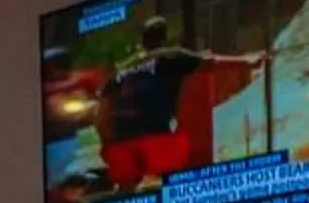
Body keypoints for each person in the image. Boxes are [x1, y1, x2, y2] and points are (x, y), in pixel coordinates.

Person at [97, 16, 262, 189]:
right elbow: (210, 62)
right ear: (163, 38)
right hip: (155, 140)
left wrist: (105, 141)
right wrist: (247, 61)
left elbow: (102, 110)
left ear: (143, 41)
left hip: (120, 144)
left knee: (126, 189)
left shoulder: (123, 69)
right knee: (177, 176)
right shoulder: (170, 57)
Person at [40, 43, 109, 199]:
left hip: (79, 131)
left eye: (61, 64)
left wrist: (95, 102)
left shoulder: (82, 78)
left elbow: (101, 91)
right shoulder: (43, 88)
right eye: (53, 66)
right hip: (55, 137)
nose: (57, 70)